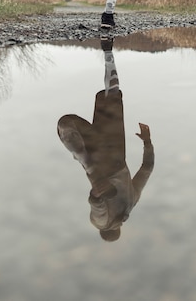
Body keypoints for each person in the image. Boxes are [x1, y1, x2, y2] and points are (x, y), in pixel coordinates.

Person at [57, 37, 154, 241]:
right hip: (99, 163)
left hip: (115, 149)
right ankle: (82, 154)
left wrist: (147, 141)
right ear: (107, 231)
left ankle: (108, 51)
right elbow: (97, 208)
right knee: (66, 124)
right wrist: (96, 196)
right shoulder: (102, 223)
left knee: (113, 94)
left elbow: (147, 168)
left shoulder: (132, 202)